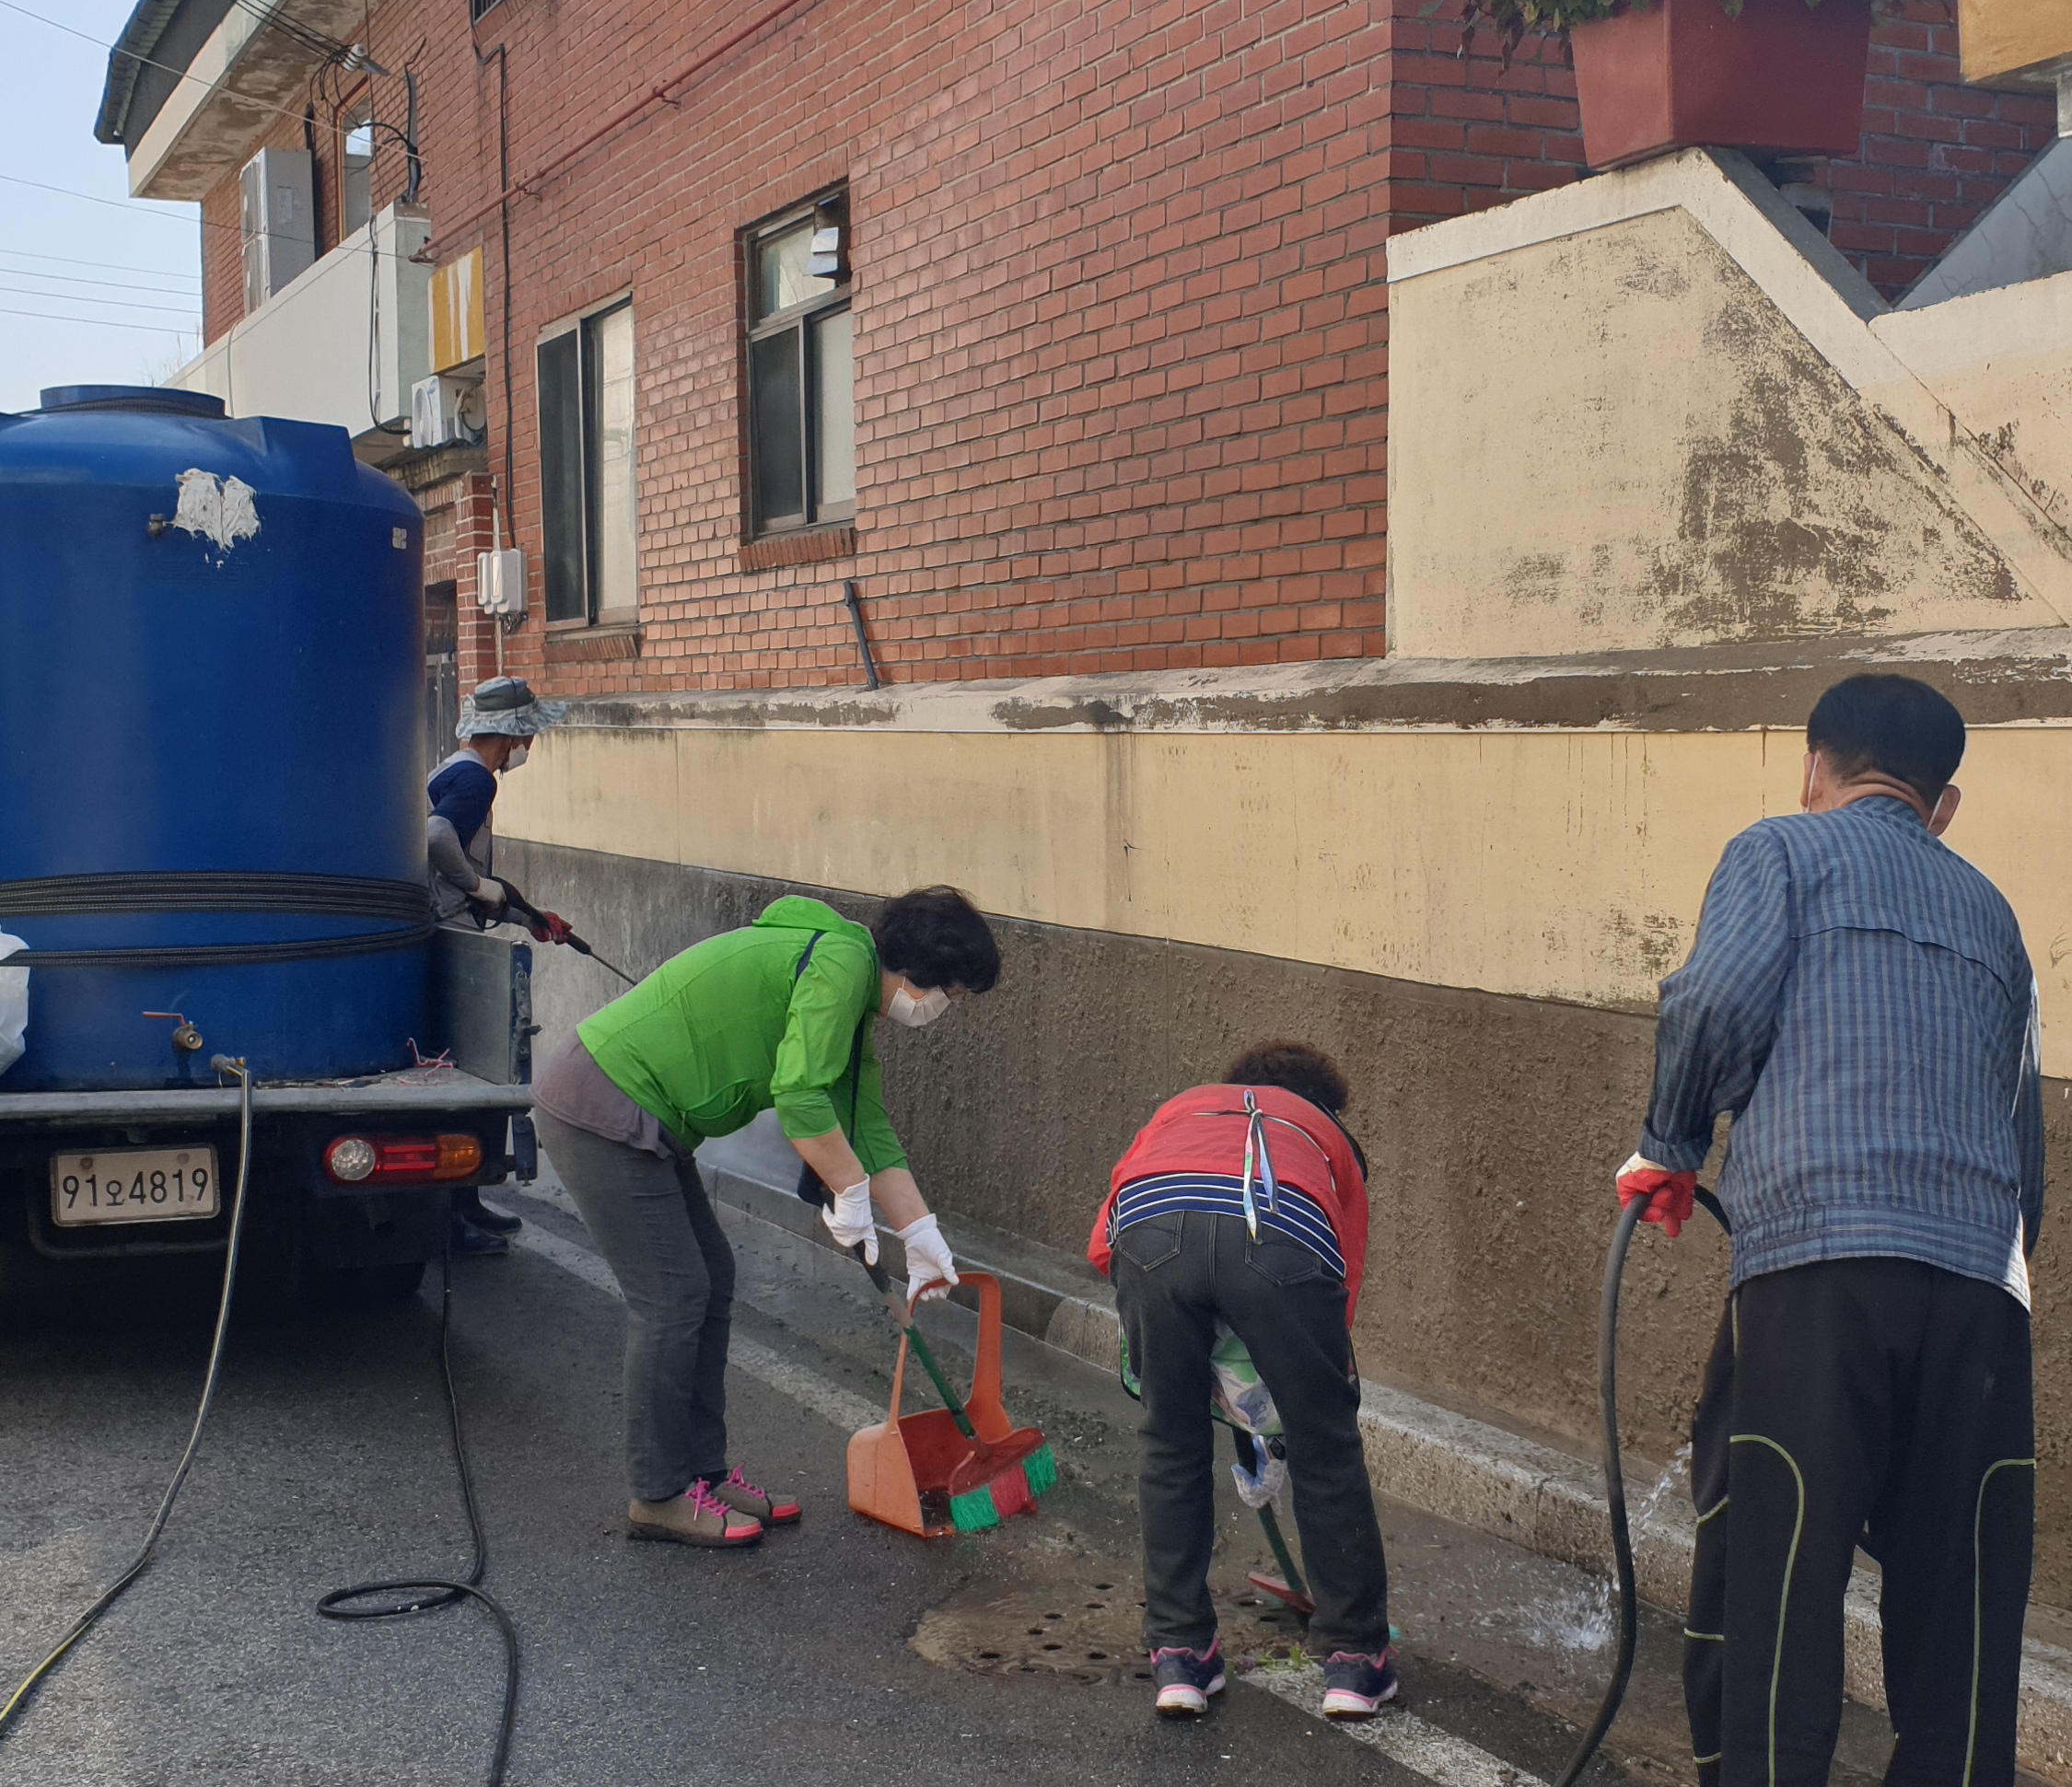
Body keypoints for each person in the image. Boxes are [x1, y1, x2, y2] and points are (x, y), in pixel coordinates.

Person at [1622, 672, 2041, 1787]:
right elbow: (2022, 1122)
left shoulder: (1779, 852)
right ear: (1940, 804)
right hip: (1981, 1290)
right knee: (1960, 1600)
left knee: (1778, 1566)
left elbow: (1710, 1002)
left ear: (1815, 766)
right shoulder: (1992, 913)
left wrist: (1669, 1146)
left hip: (1819, 1267)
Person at [530, 887, 1003, 1547]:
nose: (941, 1009)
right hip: (603, 1108)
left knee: (711, 1278)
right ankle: (659, 1493)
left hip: (642, 1119)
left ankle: (703, 1472)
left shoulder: (852, 986)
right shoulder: (839, 970)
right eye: (948, 993)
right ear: (919, 969)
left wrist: (921, 1235)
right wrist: (849, 1195)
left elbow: (864, 1122)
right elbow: (801, 1095)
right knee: (672, 1298)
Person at [1090, 1041, 1397, 1723]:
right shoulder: (1326, 1134)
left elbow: (1102, 1247)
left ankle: (1180, 1655)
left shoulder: (1179, 1109)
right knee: (1326, 1446)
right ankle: (1354, 1661)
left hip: (1148, 1231)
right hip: (1277, 1228)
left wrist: (1203, 1371)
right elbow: (1338, 1285)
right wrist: (1281, 1412)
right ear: (1324, 1103)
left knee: (1170, 1443)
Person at [427, 677, 565, 1255]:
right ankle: (454, 1216)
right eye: (526, 735)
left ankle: (467, 1203)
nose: (526, 748)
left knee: (465, 1080)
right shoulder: (476, 778)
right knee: (479, 1078)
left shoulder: (448, 769)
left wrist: (525, 915)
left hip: (449, 930)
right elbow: (437, 839)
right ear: (508, 736)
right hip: (457, 945)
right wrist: (479, 884)